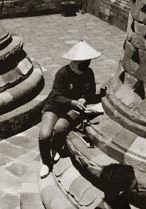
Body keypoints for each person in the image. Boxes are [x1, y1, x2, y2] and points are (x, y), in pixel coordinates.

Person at [38, 40, 101, 179]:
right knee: (44, 135)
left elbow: (90, 93)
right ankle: (46, 163)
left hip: (73, 109)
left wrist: (84, 100)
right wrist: (72, 102)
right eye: (83, 63)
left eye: (88, 62)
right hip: (55, 107)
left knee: (59, 129)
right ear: (74, 62)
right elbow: (55, 96)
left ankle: (56, 147)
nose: (86, 65)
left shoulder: (89, 73)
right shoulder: (62, 73)